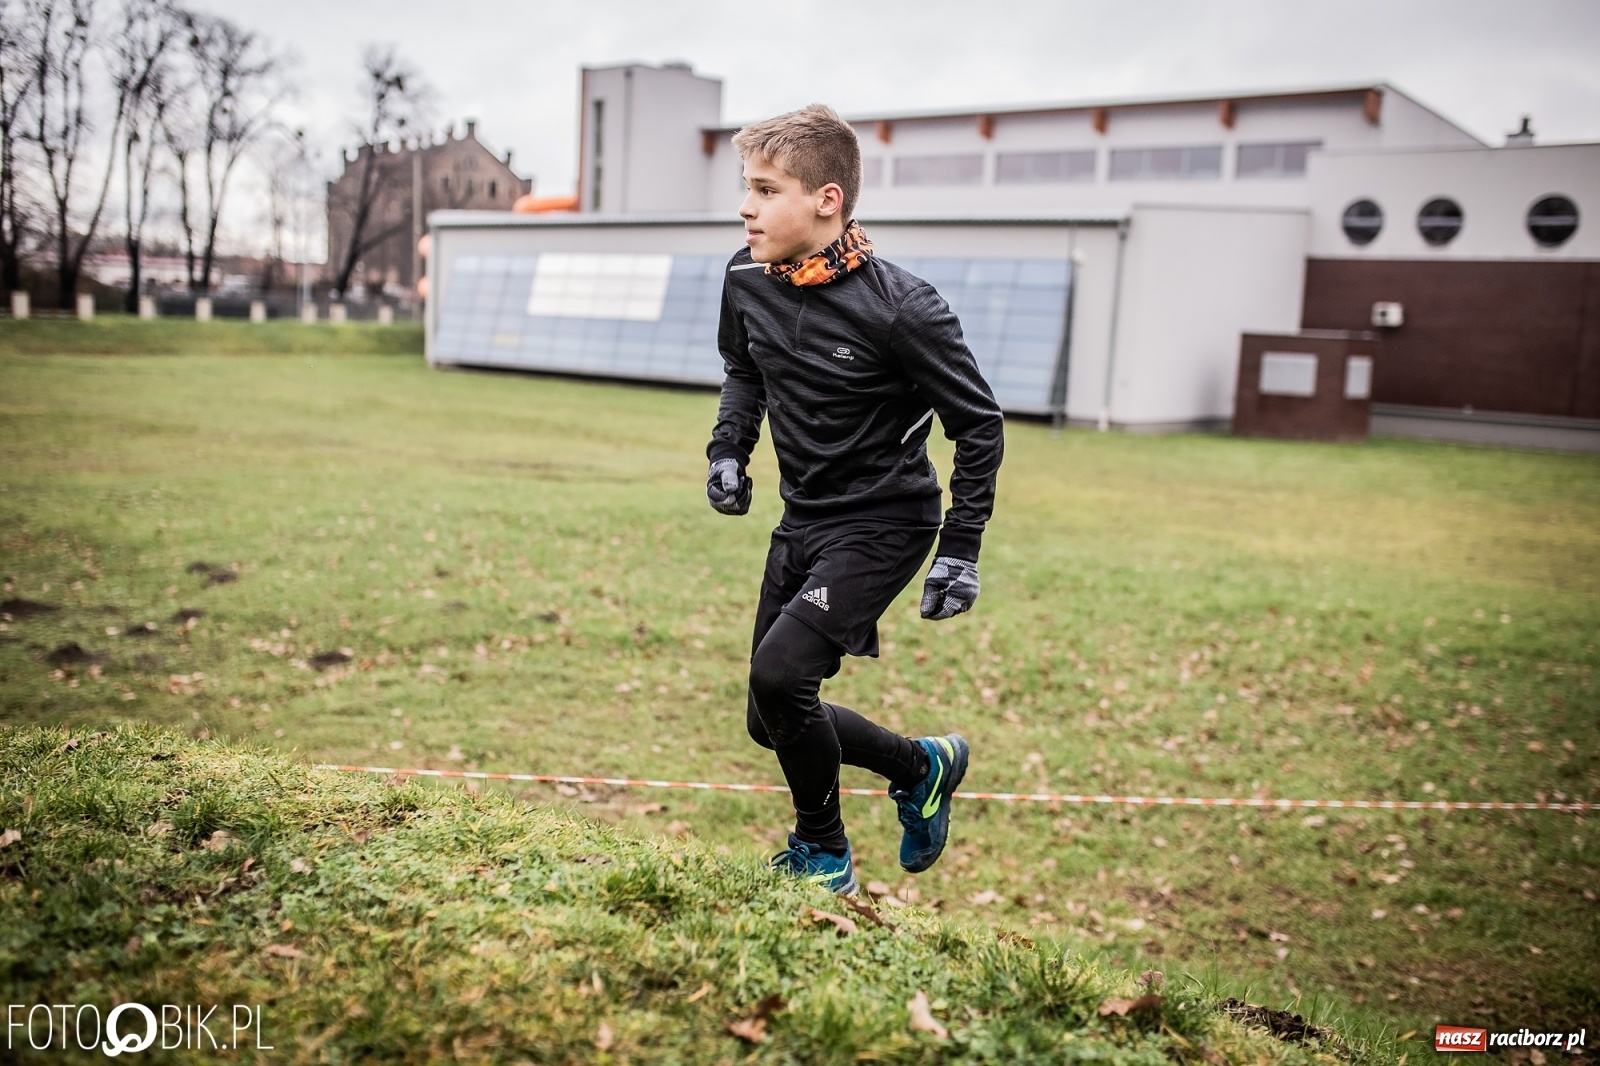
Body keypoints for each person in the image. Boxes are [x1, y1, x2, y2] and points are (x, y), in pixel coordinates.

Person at [704, 104, 1005, 896]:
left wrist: (961, 549)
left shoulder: (904, 307)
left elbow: (978, 424)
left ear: (827, 200)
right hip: (801, 519)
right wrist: (729, 450)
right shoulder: (744, 277)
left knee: (781, 679)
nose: (747, 207)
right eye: (747, 187)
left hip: (885, 521)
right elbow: (746, 371)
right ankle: (922, 766)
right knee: (767, 718)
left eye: (766, 190)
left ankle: (822, 854)